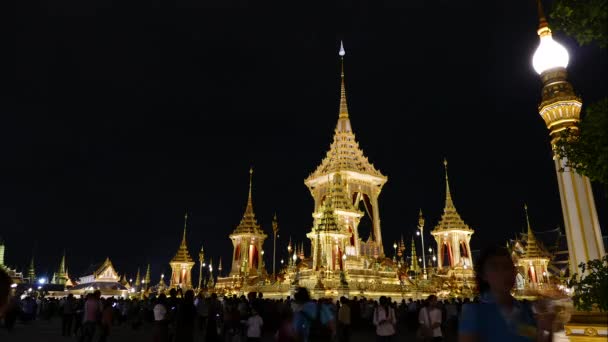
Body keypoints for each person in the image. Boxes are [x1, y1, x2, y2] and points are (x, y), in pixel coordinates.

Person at [459, 246, 554, 342]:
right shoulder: (474, 312)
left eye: (507, 266)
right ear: (484, 275)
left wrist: (547, 329)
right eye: (495, 268)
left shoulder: (526, 310)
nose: (504, 273)